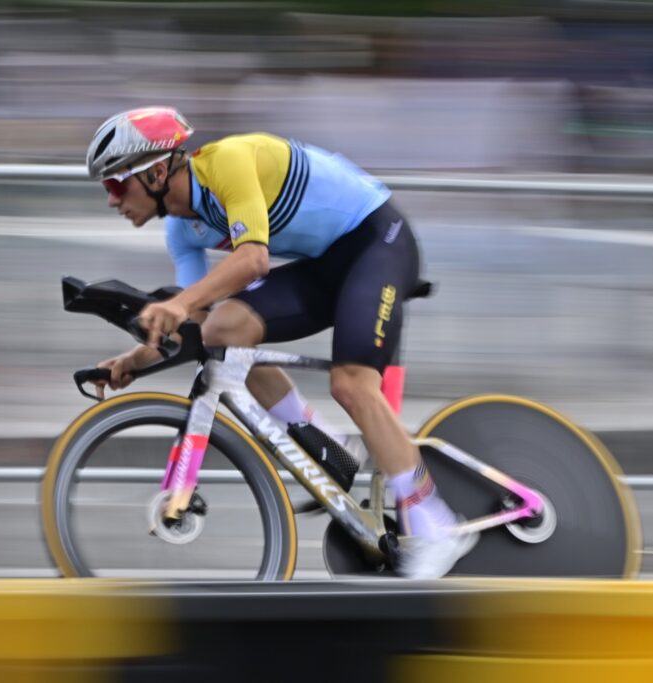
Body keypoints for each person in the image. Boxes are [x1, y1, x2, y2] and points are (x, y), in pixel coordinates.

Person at [86, 106, 476, 579]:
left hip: (378, 242)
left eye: (115, 184)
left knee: (352, 384)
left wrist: (180, 305)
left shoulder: (227, 162)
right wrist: (134, 360)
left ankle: (434, 521)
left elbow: (253, 261)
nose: (112, 200)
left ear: (155, 171)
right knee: (223, 333)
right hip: (327, 264)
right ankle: (329, 446)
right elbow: (195, 322)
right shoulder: (181, 230)